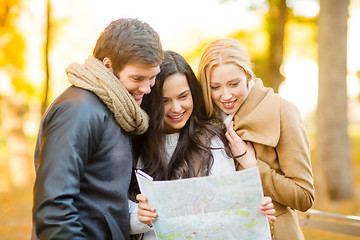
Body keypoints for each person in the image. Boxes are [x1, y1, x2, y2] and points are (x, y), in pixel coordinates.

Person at [32, 18, 163, 240]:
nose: (146, 88)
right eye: (137, 78)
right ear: (107, 65)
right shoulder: (78, 110)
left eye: (152, 78)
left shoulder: (116, 108)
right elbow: (54, 209)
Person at [128, 50, 276, 240]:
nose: (176, 108)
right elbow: (115, 211)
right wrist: (141, 217)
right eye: (165, 101)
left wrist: (254, 211)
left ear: (194, 94)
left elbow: (230, 209)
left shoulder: (210, 141)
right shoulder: (135, 142)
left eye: (183, 96)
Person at [197, 38, 315, 240]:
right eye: (215, 87)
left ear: (248, 75)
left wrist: (252, 165)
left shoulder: (283, 112)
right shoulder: (203, 120)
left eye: (234, 84)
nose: (225, 95)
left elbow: (304, 197)